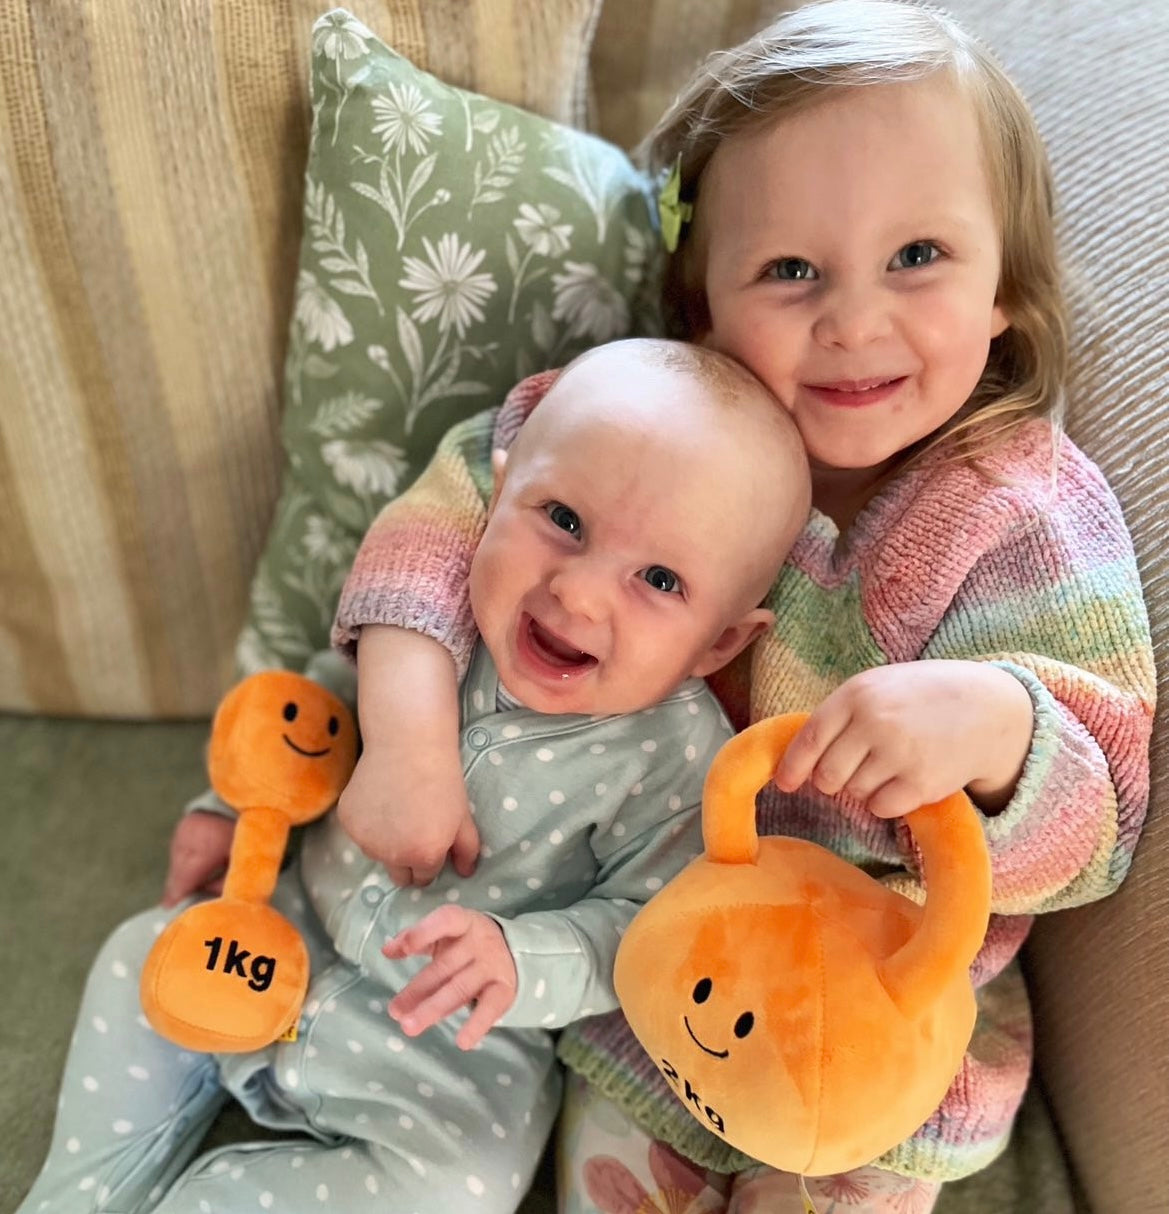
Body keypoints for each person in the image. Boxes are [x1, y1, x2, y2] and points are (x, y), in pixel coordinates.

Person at [323, 3, 1156, 1212]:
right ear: (700, 299)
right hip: (646, 962)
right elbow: (456, 509)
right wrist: (404, 735)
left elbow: (1102, 817)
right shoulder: (653, 419)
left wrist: (988, 724)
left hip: (874, 1022)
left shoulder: (1020, 512)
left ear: (1005, 296)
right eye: (788, 270)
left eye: (916, 257)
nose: (852, 320)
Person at [15, 339, 811, 1214]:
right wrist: (231, 806)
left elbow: (647, 933)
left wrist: (520, 957)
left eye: (658, 580)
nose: (579, 595)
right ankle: (75, 1195)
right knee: (141, 955)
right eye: (563, 521)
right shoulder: (435, 619)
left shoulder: (674, 757)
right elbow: (311, 720)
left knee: (460, 1189)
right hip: (280, 931)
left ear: (720, 644)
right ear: (499, 491)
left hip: (449, 1046)